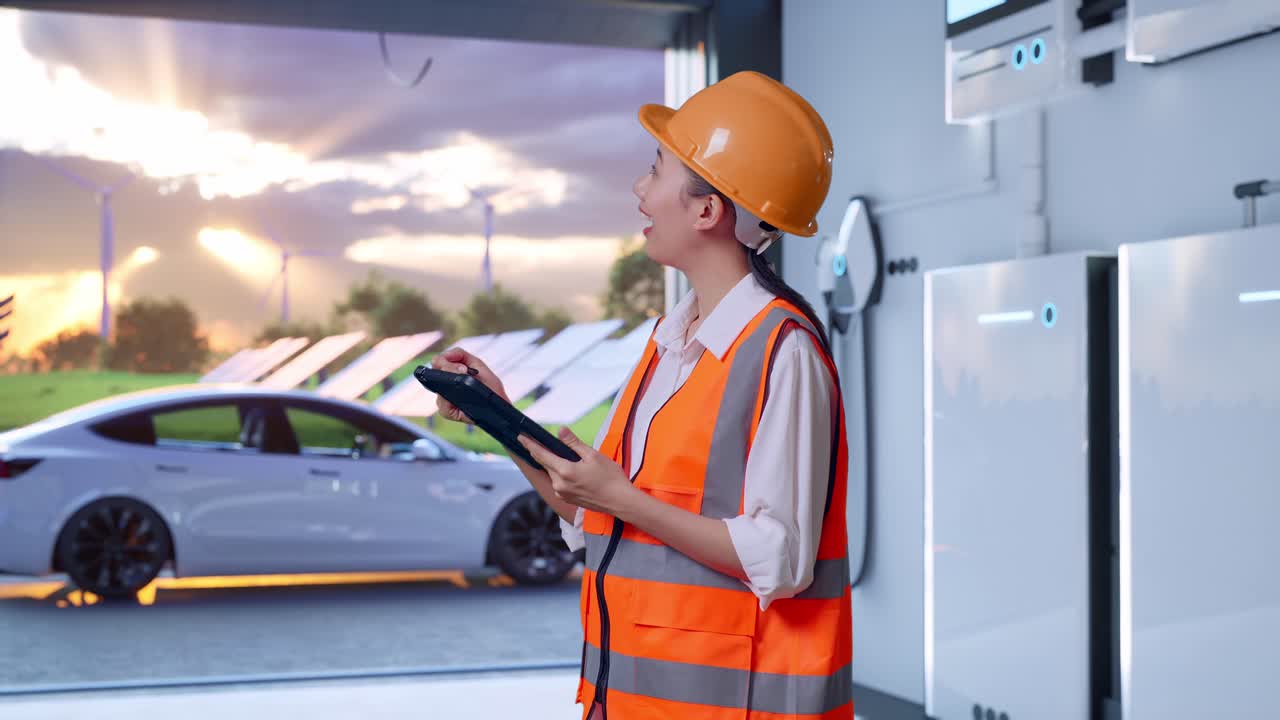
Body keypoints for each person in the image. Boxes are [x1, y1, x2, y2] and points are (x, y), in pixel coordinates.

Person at [432, 71, 851, 720]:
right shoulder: (670, 343)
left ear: (707, 210)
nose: (639, 190)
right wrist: (501, 417)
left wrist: (620, 497)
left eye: (655, 171)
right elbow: (592, 517)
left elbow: (781, 559)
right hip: (624, 698)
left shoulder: (782, 352)